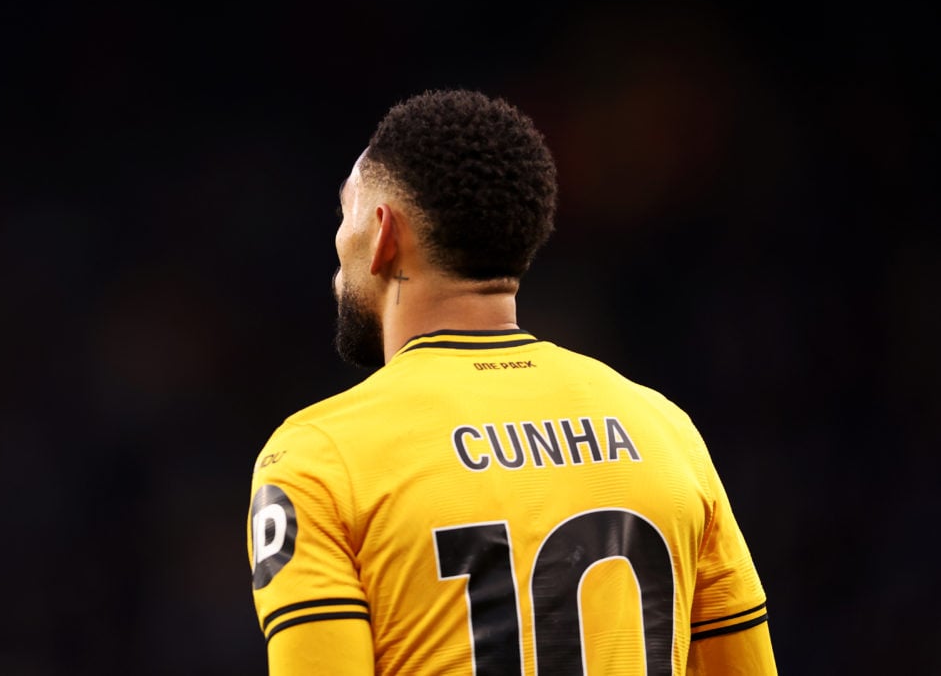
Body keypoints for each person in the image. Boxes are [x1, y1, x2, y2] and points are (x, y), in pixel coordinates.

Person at [246, 89, 777, 675]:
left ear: (383, 234)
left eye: (345, 214)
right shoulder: (665, 432)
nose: (337, 245)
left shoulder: (317, 459)